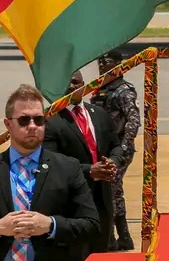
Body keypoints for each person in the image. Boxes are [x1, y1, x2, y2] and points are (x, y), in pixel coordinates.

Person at [0, 84, 101, 261]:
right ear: (8, 124)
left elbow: (92, 226)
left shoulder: (68, 168)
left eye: (38, 120)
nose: (32, 126)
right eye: (24, 120)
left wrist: (51, 225)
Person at [43, 70, 126, 254]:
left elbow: (116, 146)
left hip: (102, 201)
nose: (71, 86)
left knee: (100, 253)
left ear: (84, 85)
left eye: (75, 82)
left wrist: (112, 162)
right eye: (66, 83)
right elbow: (51, 162)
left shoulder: (99, 114)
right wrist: (89, 170)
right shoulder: (50, 120)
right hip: (71, 205)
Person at [89, 50, 140, 251]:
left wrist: (123, 148)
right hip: (105, 149)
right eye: (100, 61)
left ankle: (110, 239)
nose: (102, 65)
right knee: (113, 191)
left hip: (119, 150)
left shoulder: (124, 91)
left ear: (119, 63)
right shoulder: (99, 89)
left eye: (107, 61)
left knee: (109, 191)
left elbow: (133, 121)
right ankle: (122, 237)